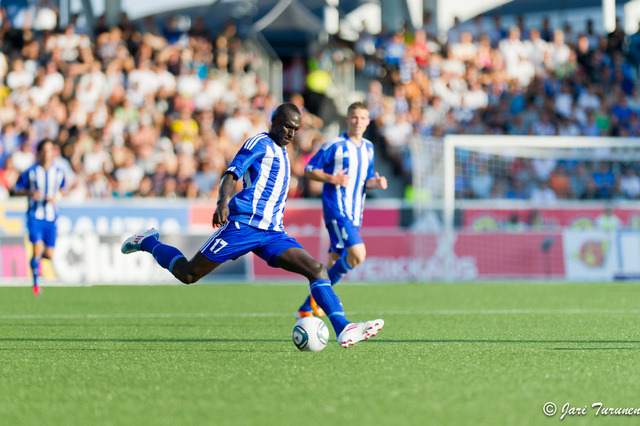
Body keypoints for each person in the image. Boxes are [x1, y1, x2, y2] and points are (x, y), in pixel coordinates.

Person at [121, 103, 383, 348]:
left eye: (295, 129)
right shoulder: (260, 143)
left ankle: (344, 328)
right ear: (274, 121)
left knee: (317, 269)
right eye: (287, 126)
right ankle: (148, 241)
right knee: (188, 274)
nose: (291, 133)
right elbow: (232, 172)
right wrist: (223, 202)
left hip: (272, 233)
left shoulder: (282, 150)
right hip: (243, 227)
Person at [296, 101, 388, 318]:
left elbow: (364, 179)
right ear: (347, 119)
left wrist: (376, 183)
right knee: (358, 253)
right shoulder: (334, 145)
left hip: (356, 213)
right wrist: (332, 178)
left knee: (334, 262)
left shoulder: (369, 148)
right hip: (337, 209)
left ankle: (307, 307)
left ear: (368, 122)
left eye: (362, 118)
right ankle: (316, 303)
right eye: (354, 117)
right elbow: (309, 169)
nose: (358, 121)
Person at [13, 139, 67, 296]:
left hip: (51, 217)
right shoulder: (31, 171)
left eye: (50, 150)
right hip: (34, 216)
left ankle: (35, 262)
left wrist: (57, 196)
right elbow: (17, 189)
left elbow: (63, 188)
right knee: (37, 248)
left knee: (49, 254)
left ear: (53, 152)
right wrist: (30, 193)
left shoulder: (58, 172)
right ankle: (36, 284)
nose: (46, 153)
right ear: (40, 152)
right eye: (44, 150)